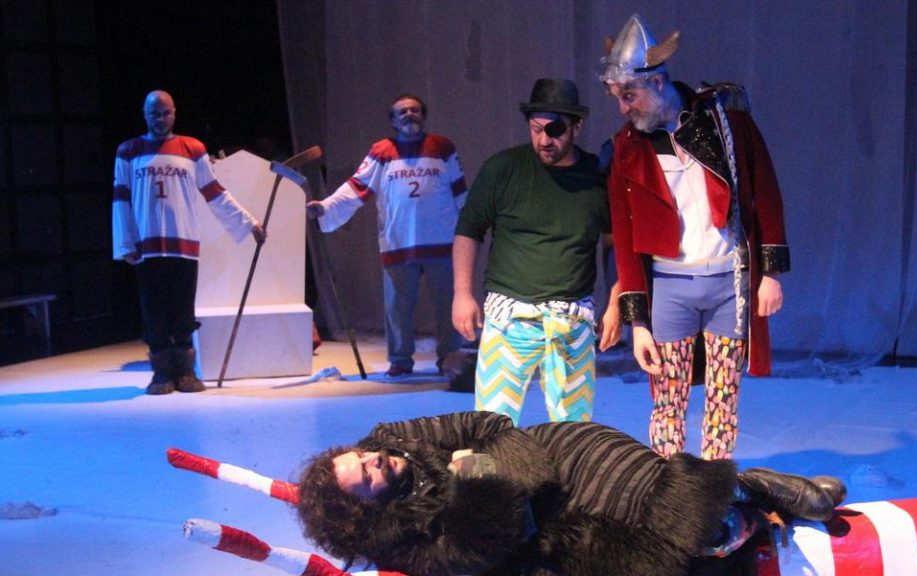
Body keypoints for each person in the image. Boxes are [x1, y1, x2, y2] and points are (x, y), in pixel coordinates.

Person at [296, 411, 845, 576]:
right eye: (365, 478)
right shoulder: (403, 543)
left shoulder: (392, 437)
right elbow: (477, 547)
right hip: (555, 527)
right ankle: (745, 502)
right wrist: (477, 475)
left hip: (558, 451)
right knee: (697, 541)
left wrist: (494, 475)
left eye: (359, 457)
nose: (372, 460)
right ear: (368, 510)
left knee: (655, 491)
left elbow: (489, 424)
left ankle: (749, 487)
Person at [598, 15, 790, 459]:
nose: (623, 108)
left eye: (629, 95)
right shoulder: (627, 147)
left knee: (723, 399)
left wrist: (771, 274)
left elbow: (765, 190)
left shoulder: (724, 122)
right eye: (617, 97)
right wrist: (638, 323)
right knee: (668, 397)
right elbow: (625, 238)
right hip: (670, 287)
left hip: (728, 283)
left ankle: (715, 482)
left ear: (657, 81)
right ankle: (670, 482)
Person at [452, 78, 620, 424]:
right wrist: (462, 294)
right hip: (509, 318)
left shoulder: (597, 176)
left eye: (555, 130)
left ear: (577, 127)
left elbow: (614, 243)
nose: (544, 140)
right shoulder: (503, 169)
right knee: (491, 426)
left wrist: (616, 302)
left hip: (572, 318)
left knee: (573, 430)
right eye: (536, 129)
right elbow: (469, 230)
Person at [112, 90, 266, 395]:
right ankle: (161, 374)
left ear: (174, 113)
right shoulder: (129, 151)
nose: (160, 119)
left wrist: (249, 222)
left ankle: (184, 372)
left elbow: (214, 192)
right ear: (145, 115)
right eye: (154, 114)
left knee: (183, 310)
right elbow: (121, 199)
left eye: (165, 113)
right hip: (147, 247)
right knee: (154, 310)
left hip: (183, 243)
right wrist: (125, 243)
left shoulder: (192, 148)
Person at [307, 94, 465, 378]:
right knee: (397, 308)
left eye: (415, 110)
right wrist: (326, 207)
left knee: (447, 305)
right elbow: (356, 187)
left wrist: (472, 227)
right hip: (398, 242)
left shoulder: (442, 147)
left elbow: (460, 191)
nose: (409, 115)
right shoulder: (381, 151)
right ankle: (400, 359)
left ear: (423, 115)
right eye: (402, 112)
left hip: (441, 242)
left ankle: (450, 357)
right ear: (393, 120)